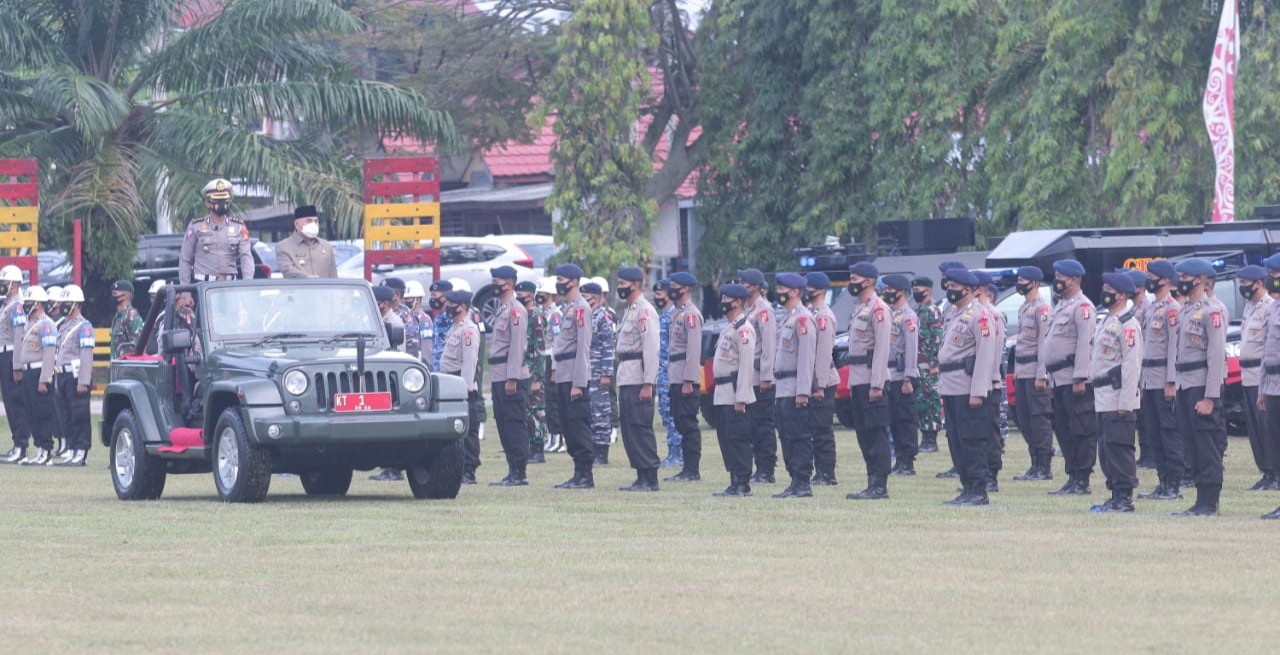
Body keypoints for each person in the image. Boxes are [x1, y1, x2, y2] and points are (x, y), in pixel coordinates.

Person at [937, 268, 1000, 506]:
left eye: (954, 287)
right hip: (951, 386)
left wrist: (978, 391)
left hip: (968, 387)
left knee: (973, 441)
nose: (950, 290)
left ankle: (978, 490)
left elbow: (985, 355)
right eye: (949, 286)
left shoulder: (980, 316)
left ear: (969, 290)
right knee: (956, 441)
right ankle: (967, 488)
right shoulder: (955, 313)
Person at [1169, 257, 1227, 516]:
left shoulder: (1212, 311)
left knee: (1206, 445)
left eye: (1185, 277)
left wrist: (1210, 397)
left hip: (1201, 386)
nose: (1180, 281)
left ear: (1200, 280)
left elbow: (1215, 356)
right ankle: (1200, 498)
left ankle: (1209, 501)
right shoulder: (1184, 310)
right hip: (1184, 384)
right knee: (1190, 445)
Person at [1039, 258, 1098, 495]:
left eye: (1060, 278)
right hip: (1059, 378)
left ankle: (1082, 479)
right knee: (1064, 430)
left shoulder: (1083, 307)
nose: (1057, 282)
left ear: (1074, 280)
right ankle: (1072, 475)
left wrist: (1080, 377)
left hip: (1074, 379)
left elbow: (1085, 343)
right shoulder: (1062, 306)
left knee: (1081, 430)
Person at [1089, 273, 1143, 512]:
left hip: (1117, 395)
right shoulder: (1107, 320)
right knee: (1106, 450)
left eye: (1109, 289)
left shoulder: (1128, 325)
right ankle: (1115, 494)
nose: (1105, 292)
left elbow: (1131, 365)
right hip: (1102, 396)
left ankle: (1124, 498)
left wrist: (1126, 402)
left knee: (1119, 448)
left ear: (1121, 294)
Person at [1136, 260, 1185, 501]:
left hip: (1164, 379)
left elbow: (1174, 347)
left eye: (1152, 276)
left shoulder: (1172, 309)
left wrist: (1171, 382)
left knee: (1168, 433)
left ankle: (1173, 484)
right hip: (1149, 379)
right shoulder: (1151, 308)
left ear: (1165, 280)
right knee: (1154, 434)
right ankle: (1162, 481)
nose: (1149, 280)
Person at [843, 262, 892, 500]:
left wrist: (877, 384)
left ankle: (880, 485)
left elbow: (882, 349)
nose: (852, 283)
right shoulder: (860, 308)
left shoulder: (878, 309)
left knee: (875, 434)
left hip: (872, 380)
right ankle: (871, 481)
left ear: (869, 281)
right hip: (858, 378)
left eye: (855, 279)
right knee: (864, 434)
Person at [614, 267, 662, 492]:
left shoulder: (645, 310)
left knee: (640, 428)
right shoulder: (630, 310)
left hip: (639, 378)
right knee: (630, 429)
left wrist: (648, 383)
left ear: (634, 284)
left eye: (622, 283)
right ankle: (641, 475)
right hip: (627, 376)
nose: (619, 287)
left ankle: (650, 477)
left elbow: (651, 348)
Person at [772, 272, 817, 499]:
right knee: (787, 437)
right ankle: (794, 480)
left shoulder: (803, 319)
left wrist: (803, 391)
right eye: (778, 288)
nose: (779, 292)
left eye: (783, 289)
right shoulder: (788, 318)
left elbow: (806, 358)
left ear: (796, 292)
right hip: (783, 387)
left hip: (795, 389)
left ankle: (802, 483)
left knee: (798, 437)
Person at [551, 264, 596, 488]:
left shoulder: (581, 308)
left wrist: (578, 382)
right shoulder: (568, 307)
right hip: (563, 374)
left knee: (578, 424)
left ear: (574, 281)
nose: (558, 283)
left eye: (562, 279)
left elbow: (583, 347)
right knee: (568, 425)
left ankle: (585, 475)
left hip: (574, 377)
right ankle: (578, 473)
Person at [487, 265, 532, 487]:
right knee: (504, 424)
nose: (494, 286)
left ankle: (519, 472)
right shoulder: (502, 309)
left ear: (510, 284)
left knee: (514, 423)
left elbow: (517, 346)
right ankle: (512, 469)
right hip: (499, 373)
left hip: (509, 375)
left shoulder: (516, 310)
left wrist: (512, 377)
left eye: (497, 282)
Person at [711, 284, 757, 497]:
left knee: (738, 439)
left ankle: (742, 483)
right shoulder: (729, 328)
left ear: (737, 302)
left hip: (735, 392)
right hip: (723, 392)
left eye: (726, 299)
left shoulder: (743, 329)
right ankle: (734, 480)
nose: (722, 302)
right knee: (727, 439)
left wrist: (742, 398)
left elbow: (746, 366)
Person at [1010, 266, 1055, 482]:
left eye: (1023, 280)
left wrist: (1041, 374)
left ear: (1034, 283)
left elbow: (1043, 343)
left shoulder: (1042, 308)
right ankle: (1034, 462)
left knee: (1039, 419)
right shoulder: (1024, 307)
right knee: (1024, 419)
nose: (1019, 283)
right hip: (1022, 371)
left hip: (1035, 372)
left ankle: (1044, 466)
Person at [738, 268, 778, 484]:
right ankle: (759, 466)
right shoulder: (747, 309)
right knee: (752, 425)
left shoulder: (764, 311)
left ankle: (766, 469)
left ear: (754, 286)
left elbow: (769, 346)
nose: (740, 285)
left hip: (760, 376)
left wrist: (766, 377)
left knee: (763, 425)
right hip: (748, 375)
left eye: (743, 282)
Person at [1237, 265, 1275, 490]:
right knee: (1254, 430)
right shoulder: (1249, 307)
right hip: (1246, 375)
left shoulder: (1269, 307)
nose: (1242, 287)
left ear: (1258, 283)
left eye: (1244, 283)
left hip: (1261, 376)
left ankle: (1273, 473)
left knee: (1266, 428)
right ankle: (1265, 471)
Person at [664, 271, 704, 483]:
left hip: (686, 379)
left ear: (686, 289)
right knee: (679, 421)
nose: (671, 289)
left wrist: (689, 380)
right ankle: (687, 468)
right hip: (676, 376)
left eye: (675, 286)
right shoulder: (676, 314)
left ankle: (692, 469)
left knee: (688, 424)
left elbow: (693, 350)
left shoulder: (691, 315)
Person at [439, 289, 482, 485]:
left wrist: (465, 386)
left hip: (461, 384)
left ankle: (469, 470)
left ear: (462, 306)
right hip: (450, 382)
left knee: (468, 429)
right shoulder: (455, 328)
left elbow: (470, 360)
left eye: (451, 304)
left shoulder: (468, 330)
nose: (447, 307)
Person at [179, 178, 256, 284]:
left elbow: (246, 257)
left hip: (230, 285)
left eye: (224, 200)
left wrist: (247, 284)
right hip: (203, 285)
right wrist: (185, 290)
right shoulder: (196, 226)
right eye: (217, 200)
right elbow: (185, 260)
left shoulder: (239, 226)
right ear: (207, 203)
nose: (221, 204)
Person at [51, 285, 94, 467]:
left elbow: (86, 355)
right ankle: (72, 449)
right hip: (62, 374)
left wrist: (84, 380)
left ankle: (81, 451)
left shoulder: (84, 326)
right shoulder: (63, 326)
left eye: (67, 302)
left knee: (79, 414)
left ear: (76, 304)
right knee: (66, 415)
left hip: (76, 376)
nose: (63, 306)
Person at [883, 274, 920, 477]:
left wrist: (908, 378)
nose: (887, 292)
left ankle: (907, 461)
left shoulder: (908, 317)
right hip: (889, 375)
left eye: (891, 289)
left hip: (901, 375)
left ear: (902, 292)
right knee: (893, 420)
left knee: (905, 420)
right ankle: (898, 458)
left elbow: (912, 349)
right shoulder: (890, 314)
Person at [16, 286, 57, 465]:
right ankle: (39, 448)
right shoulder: (29, 323)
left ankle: (46, 450)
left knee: (42, 413)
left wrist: (44, 379)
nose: (26, 305)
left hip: (39, 372)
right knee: (31, 413)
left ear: (39, 304)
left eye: (29, 302)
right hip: (28, 372)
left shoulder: (46, 324)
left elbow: (49, 353)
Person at [806, 272, 840, 484]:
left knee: (822, 429)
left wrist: (819, 384)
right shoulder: (812, 313)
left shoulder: (823, 317)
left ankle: (827, 473)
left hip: (823, 380)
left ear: (819, 290)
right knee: (813, 428)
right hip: (814, 379)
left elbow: (824, 353)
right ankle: (820, 471)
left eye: (809, 287)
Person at [581, 281, 616, 465]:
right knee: (588, 410)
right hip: (586, 371)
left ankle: (602, 452)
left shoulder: (604, 317)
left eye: (587, 297)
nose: (585, 300)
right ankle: (592, 448)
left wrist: (606, 373)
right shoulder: (585, 315)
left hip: (598, 370)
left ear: (596, 298)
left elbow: (608, 346)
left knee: (600, 411)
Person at [516, 281, 548, 463]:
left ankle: (538, 449)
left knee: (536, 410)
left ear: (530, 295)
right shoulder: (522, 314)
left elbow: (540, 349)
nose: (519, 297)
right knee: (526, 410)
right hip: (524, 369)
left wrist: (536, 378)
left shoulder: (536, 317)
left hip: (534, 370)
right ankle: (530, 446)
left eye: (522, 294)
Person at [0, 265, 30, 463]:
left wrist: (17, 365)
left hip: (11, 354)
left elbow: (19, 336)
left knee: (15, 401)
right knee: (8, 402)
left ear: (13, 284)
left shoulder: (17, 305)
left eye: (4, 283)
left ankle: (21, 446)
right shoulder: (6, 305)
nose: (2, 286)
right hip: (3, 354)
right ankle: (16, 444)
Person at [654, 278, 684, 468]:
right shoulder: (662, 316)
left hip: (671, 372)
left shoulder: (674, 316)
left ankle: (677, 453)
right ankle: (672, 451)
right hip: (662, 373)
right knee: (665, 413)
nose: (657, 298)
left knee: (673, 414)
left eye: (660, 294)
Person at [912, 276, 944, 453]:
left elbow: (937, 338)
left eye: (918, 290)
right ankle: (924, 436)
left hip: (929, 363)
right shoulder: (918, 311)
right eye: (914, 290)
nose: (915, 293)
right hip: (918, 363)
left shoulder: (933, 311)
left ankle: (931, 439)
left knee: (931, 400)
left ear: (928, 290)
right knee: (920, 400)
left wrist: (935, 363)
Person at [1126, 268, 1154, 469]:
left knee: (1147, 416)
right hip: (1138, 366)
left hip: (1145, 366)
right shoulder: (1134, 308)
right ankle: (1145, 453)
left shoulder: (1146, 308)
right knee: (1142, 416)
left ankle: (1150, 454)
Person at [536, 277, 565, 454]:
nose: (539, 296)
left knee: (554, 401)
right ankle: (552, 437)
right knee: (546, 401)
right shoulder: (542, 314)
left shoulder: (555, 315)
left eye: (543, 293)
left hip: (551, 359)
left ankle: (559, 439)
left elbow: (557, 342)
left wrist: (554, 367)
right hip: (542, 359)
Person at [275, 205, 337, 279]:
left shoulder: (326, 246)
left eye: (316, 221)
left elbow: (333, 275)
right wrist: (307, 278)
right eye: (309, 221)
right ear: (297, 224)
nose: (313, 224)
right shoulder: (284, 247)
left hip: (324, 287)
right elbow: (287, 270)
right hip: (299, 286)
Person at [381, 278, 419, 359]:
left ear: (397, 295)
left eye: (386, 292)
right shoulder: (390, 311)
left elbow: (412, 348)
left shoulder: (403, 315)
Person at [110, 280, 143, 359]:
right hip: (116, 364)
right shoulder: (118, 316)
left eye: (115, 294)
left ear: (125, 296)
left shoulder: (132, 317)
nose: (112, 296)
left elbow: (137, 347)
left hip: (127, 365)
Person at [428, 280, 454, 370]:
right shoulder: (438, 317)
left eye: (434, 295)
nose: (432, 299)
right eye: (431, 295)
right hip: (436, 366)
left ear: (445, 297)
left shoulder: (451, 318)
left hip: (447, 367)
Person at [374, 286, 405, 353]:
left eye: (374, 302)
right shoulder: (376, 320)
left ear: (384, 304)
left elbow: (398, 350)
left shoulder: (395, 322)